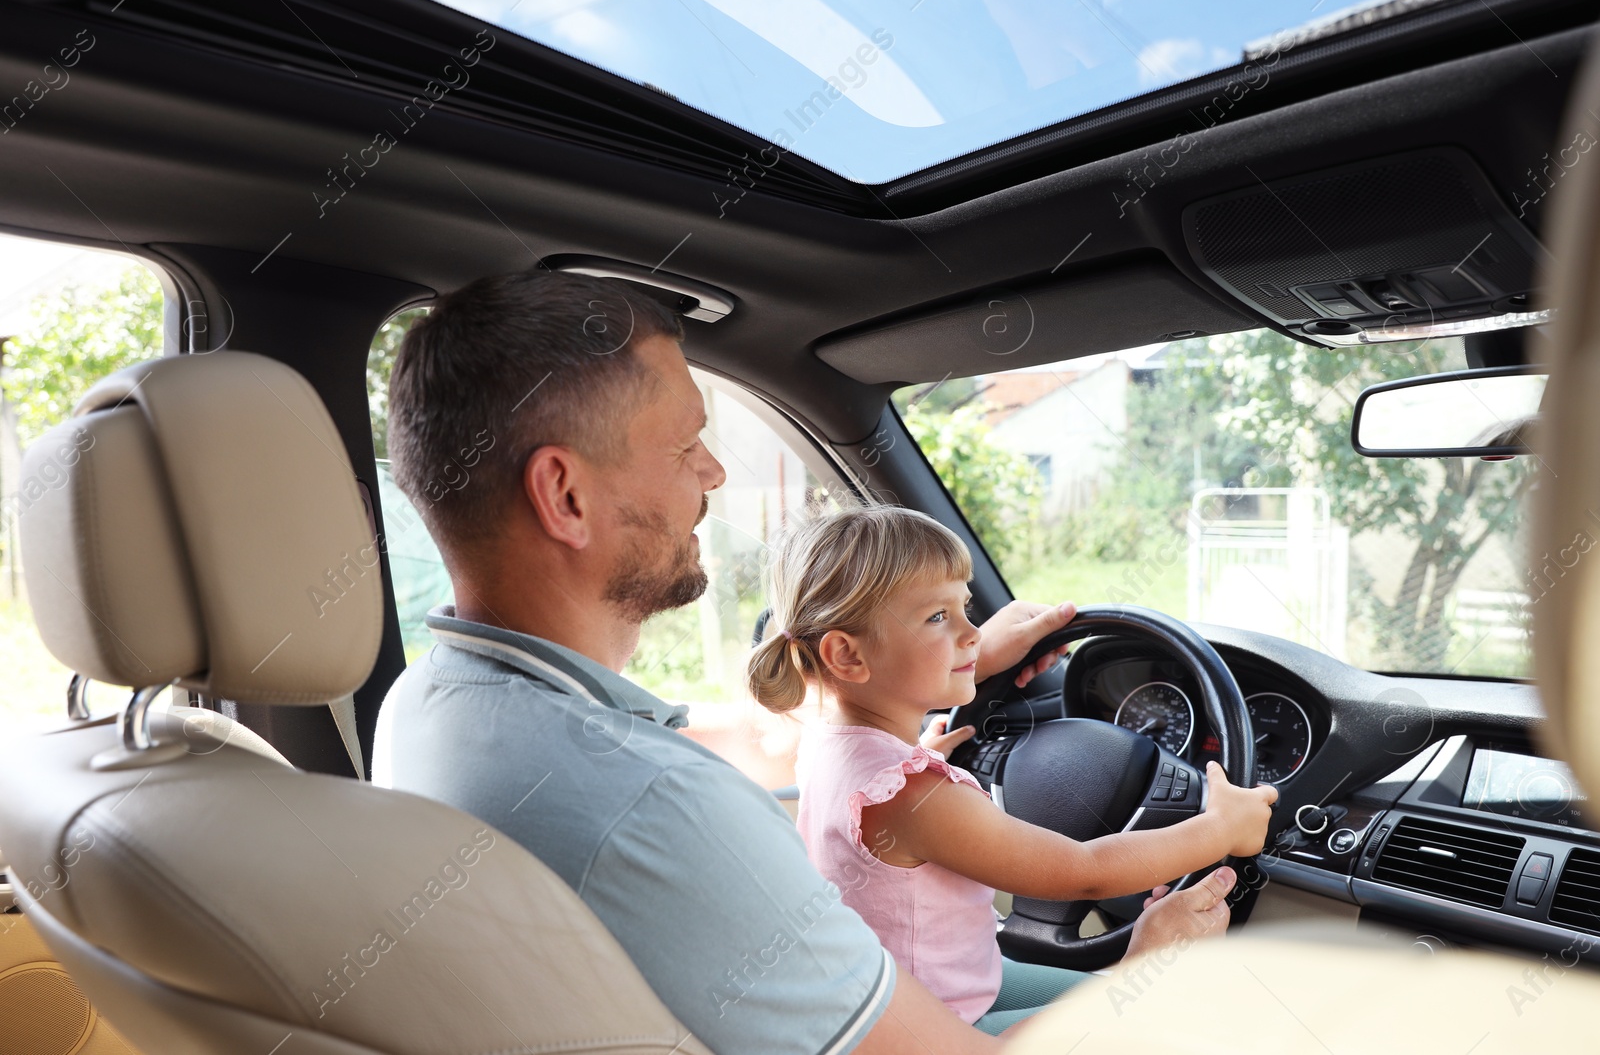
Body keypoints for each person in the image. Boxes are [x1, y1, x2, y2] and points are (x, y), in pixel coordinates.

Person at [373, 270, 1248, 1055]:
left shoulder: (432, 701)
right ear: (565, 494)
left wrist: (961, 658)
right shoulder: (657, 806)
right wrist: (1145, 965)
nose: (713, 472)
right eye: (684, 446)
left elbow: (759, 744)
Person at [746, 505, 1279, 1035]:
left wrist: (928, 743)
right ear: (846, 655)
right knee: (1164, 1017)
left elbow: (881, 751)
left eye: (965, 609)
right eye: (938, 617)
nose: (972, 633)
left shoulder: (831, 737)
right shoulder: (911, 796)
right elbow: (1085, 872)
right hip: (940, 1028)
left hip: (933, 990)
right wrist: (1220, 828)